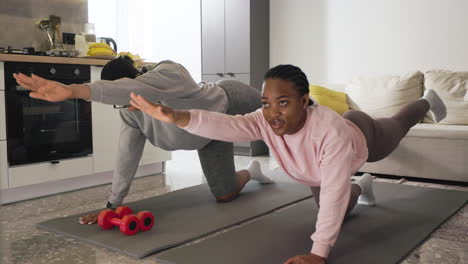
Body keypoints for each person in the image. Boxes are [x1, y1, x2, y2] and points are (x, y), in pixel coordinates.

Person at [127, 64, 447, 264]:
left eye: (283, 103)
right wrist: (178, 117)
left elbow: (334, 190)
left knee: (397, 125)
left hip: (361, 134)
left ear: (304, 101)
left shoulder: (331, 135)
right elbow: (226, 125)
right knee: (337, 211)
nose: (273, 113)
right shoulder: (265, 120)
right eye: (266, 104)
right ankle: (361, 185)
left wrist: (318, 254)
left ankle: (427, 102)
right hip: (316, 172)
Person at [13, 56, 273, 225]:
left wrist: (76, 90)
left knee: (284, 116)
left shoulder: (170, 74)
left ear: (138, 80)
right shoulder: (129, 113)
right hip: (207, 137)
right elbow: (127, 154)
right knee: (225, 195)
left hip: (229, 100)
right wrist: (113, 204)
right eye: (120, 103)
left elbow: (134, 89)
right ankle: (253, 171)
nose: (126, 106)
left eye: (125, 97)